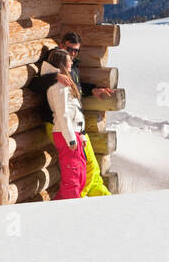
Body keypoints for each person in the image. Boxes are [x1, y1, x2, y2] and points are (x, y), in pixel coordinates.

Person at [31, 32, 114, 197]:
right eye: (70, 49)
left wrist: (93, 89)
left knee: (89, 166)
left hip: (74, 127)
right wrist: (56, 76)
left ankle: (101, 197)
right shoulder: (52, 63)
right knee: (81, 168)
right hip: (59, 125)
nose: (73, 54)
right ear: (61, 45)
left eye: (76, 51)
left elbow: (75, 88)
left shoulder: (71, 66)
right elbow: (35, 84)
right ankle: (80, 200)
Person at [45, 48, 87, 200]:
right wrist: (70, 138)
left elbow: (73, 112)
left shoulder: (65, 83)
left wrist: (80, 135)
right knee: (73, 179)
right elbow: (63, 114)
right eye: (69, 60)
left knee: (81, 176)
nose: (71, 63)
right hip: (65, 134)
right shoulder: (58, 86)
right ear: (62, 63)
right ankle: (67, 214)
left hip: (73, 132)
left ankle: (62, 209)